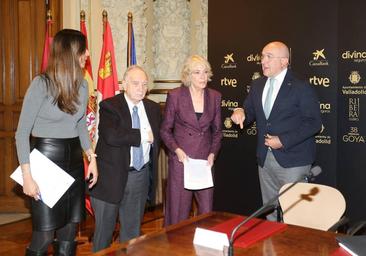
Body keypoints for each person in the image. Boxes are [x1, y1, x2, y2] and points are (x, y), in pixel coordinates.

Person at [15, 29, 98, 256]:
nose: (87, 53)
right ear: (71, 53)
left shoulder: (82, 84)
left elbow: (80, 124)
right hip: (45, 161)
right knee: (43, 235)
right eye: (83, 49)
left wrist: (92, 158)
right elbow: (21, 134)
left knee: (69, 232)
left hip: (73, 160)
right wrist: (27, 177)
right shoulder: (40, 84)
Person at [231, 41, 322, 221]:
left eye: (269, 57)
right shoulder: (257, 85)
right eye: (262, 56)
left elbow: (314, 123)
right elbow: (248, 113)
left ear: (284, 61)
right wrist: (239, 112)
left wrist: (283, 140)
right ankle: (272, 249)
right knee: (270, 212)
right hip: (265, 159)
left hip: (294, 160)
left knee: (294, 215)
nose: (263, 61)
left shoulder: (300, 86)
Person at [89, 65, 161, 252]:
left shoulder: (153, 108)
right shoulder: (110, 106)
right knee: (103, 236)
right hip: (110, 179)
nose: (140, 88)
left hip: (139, 176)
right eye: (135, 83)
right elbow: (112, 136)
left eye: (144, 84)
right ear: (124, 84)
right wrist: (143, 135)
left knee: (132, 236)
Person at [160, 55, 222, 226]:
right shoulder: (175, 96)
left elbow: (217, 132)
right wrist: (177, 150)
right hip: (182, 161)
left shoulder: (215, 96)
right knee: (178, 213)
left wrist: (212, 154)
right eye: (197, 72)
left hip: (205, 162)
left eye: (205, 72)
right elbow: (165, 130)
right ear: (188, 76)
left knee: (206, 212)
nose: (203, 77)